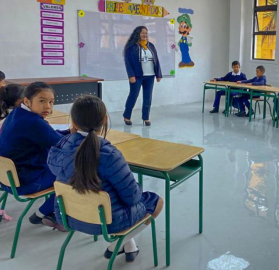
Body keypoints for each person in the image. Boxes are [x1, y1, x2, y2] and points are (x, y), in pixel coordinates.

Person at [48, 95, 164, 262]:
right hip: (108, 222)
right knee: (155, 201)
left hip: (68, 215)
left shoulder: (61, 146)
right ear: (104, 120)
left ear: (73, 122)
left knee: (110, 196)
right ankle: (117, 244)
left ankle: (129, 245)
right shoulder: (109, 154)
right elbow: (132, 197)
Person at [0, 82, 74, 231]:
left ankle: (50, 212)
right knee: (77, 175)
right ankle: (43, 213)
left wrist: (67, 132)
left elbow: (49, 136)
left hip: (6, 179)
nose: (48, 106)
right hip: (26, 181)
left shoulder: (16, 113)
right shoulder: (33, 122)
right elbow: (62, 145)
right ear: (26, 101)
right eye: (42, 101)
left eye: (51, 102)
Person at [123, 26, 162, 127]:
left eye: (146, 33)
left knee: (147, 97)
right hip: (137, 76)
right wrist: (131, 75)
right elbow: (128, 63)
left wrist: (158, 74)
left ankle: (146, 117)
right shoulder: (132, 47)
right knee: (133, 96)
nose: (145, 35)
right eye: (142, 33)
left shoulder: (151, 46)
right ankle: (127, 115)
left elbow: (156, 60)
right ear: (138, 34)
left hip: (150, 75)